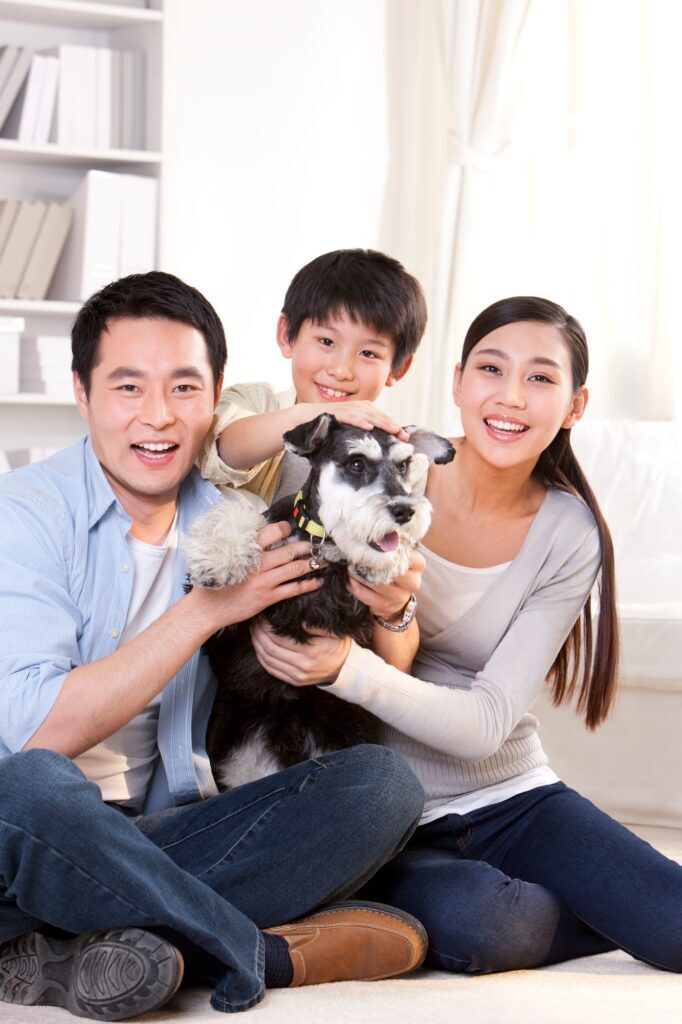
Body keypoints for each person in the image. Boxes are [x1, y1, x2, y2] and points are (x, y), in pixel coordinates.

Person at [0, 271, 429, 1022]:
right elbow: (40, 732)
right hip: (25, 825)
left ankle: (70, 945)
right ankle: (252, 949)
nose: (158, 417)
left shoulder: (243, 520)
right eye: (128, 387)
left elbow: (372, 626)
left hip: (162, 828)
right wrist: (207, 612)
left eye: (185, 388)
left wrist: (392, 598)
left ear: (219, 393)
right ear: (82, 391)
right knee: (37, 783)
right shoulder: (25, 512)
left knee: (382, 788)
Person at [248, 295, 682, 975]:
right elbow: (236, 468)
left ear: (575, 405)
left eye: (541, 378)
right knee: (489, 923)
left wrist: (343, 667)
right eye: (490, 368)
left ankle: (578, 901)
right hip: (380, 811)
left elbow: (485, 725)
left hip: (506, 792)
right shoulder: (372, 460)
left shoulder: (569, 534)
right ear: (457, 381)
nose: (510, 397)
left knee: (674, 927)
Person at [198, 246, 428, 631]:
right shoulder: (258, 402)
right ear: (286, 335)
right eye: (326, 342)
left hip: (318, 615)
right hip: (234, 606)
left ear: (398, 368)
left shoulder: (395, 453)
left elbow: (389, 557)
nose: (341, 369)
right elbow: (224, 449)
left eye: (368, 352)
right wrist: (313, 418)